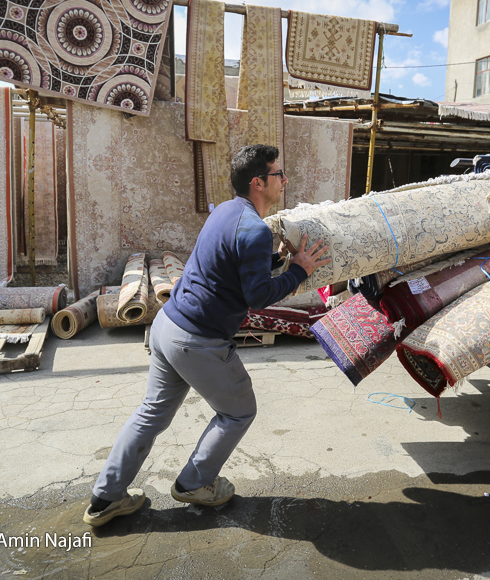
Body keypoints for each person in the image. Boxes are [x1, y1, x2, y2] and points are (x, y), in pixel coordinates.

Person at [84, 144, 330, 527]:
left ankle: (105, 499)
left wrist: (277, 258)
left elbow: (232, 263)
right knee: (239, 411)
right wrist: (298, 269)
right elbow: (258, 297)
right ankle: (193, 484)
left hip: (168, 327)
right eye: (278, 174)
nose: (284, 180)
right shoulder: (253, 230)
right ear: (258, 182)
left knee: (150, 414)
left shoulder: (229, 212)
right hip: (197, 340)